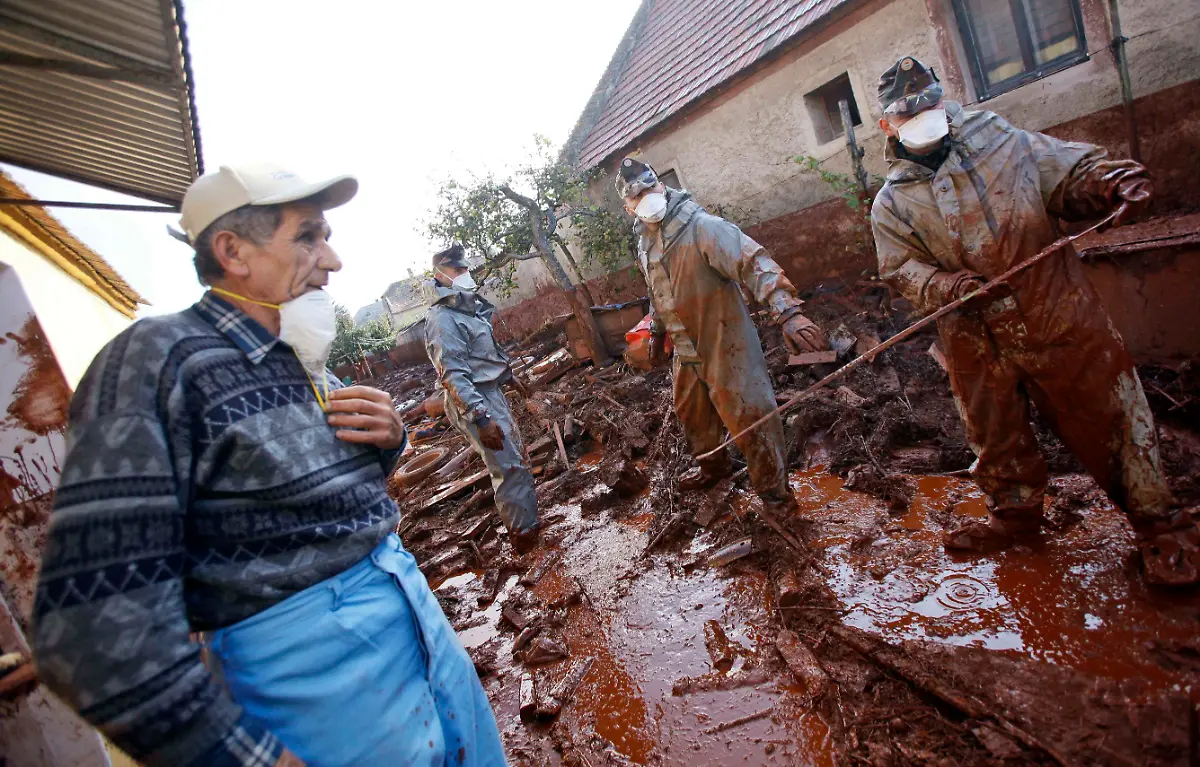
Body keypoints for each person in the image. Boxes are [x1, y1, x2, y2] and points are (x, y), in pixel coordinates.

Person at [32, 163, 506, 766]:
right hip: (312, 684)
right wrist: (248, 758)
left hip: (415, 625)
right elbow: (93, 631)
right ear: (233, 251)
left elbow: (315, 500)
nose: (332, 261)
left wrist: (391, 438)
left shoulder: (302, 357)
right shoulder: (156, 363)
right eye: (309, 236)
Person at [870, 56, 1200, 585]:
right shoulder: (892, 203)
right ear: (889, 127)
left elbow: (1067, 171)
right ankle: (1017, 519)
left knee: (1110, 414)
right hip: (972, 334)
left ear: (943, 103)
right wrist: (949, 288)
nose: (926, 117)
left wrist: (1112, 180)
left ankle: (1160, 524)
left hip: (1056, 314)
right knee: (995, 433)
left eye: (931, 105)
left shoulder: (1005, 144)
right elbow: (897, 268)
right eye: (910, 114)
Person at [615, 159, 830, 519]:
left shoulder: (702, 228)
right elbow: (657, 294)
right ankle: (714, 471)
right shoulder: (645, 245)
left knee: (751, 416)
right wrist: (656, 335)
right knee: (692, 413)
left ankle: (778, 500)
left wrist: (788, 312)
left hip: (724, 341)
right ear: (629, 207)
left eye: (650, 188)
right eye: (637, 196)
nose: (647, 198)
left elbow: (752, 262)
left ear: (662, 186)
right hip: (685, 350)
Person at [424, 244, 539, 553]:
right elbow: (453, 374)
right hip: (474, 401)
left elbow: (482, 355)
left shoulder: (468, 309)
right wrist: (481, 418)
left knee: (517, 459)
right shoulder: (442, 318)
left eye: (465, 269)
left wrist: (509, 377)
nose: (465, 275)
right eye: (457, 271)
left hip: (489, 392)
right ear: (439, 277)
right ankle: (525, 541)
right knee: (508, 467)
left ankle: (529, 527)